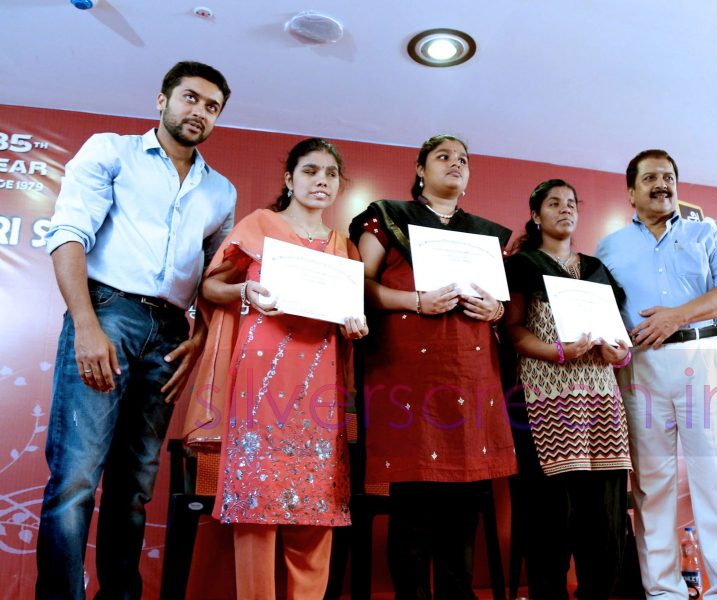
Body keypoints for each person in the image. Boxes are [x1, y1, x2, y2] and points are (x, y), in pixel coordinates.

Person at [36, 61, 234, 599]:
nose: (199, 112)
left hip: (171, 334)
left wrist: (202, 336)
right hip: (108, 312)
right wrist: (86, 325)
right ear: (162, 100)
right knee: (76, 480)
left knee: (135, 489)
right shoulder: (111, 150)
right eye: (190, 98)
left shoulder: (221, 192)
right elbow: (69, 234)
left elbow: (217, 278)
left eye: (212, 106)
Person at [189, 137, 367, 599]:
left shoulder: (342, 245)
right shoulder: (258, 226)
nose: (321, 181)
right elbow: (211, 289)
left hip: (319, 381)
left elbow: (346, 314)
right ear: (289, 179)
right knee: (257, 503)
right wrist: (245, 293)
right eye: (310, 171)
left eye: (330, 174)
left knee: (316, 505)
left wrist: (354, 326)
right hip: (260, 373)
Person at [349, 134, 518, 599]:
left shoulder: (486, 234)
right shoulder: (388, 218)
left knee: (462, 509)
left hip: (471, 375)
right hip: (408, 376)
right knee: (414, 507)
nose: (455, 164)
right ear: (420, 170)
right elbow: (361, 285)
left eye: (463, 158)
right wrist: (417, 301)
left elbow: (501, 303)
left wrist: (497, 312)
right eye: (443, 156)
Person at [596, 149, 717, 600]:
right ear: (631, 192)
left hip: (699, 359)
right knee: (651, 483)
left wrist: (676, 317)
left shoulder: (706, 234)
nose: (661, 184)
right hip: (639, 366)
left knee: (714, 476)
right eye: (650, 178)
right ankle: (663, 591)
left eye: (668, 176)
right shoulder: (611, 246)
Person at [504, 179, 632, 599]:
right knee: (549, 517)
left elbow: (620, 339)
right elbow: (513, 331)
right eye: (554, 203)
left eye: (571, 203)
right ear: (536, 214)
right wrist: (558, 351)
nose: (565, 210)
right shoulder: (522, 265)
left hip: (600, 404)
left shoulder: (596, 269)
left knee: (605, 517)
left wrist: (619, 354)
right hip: (546, 404)